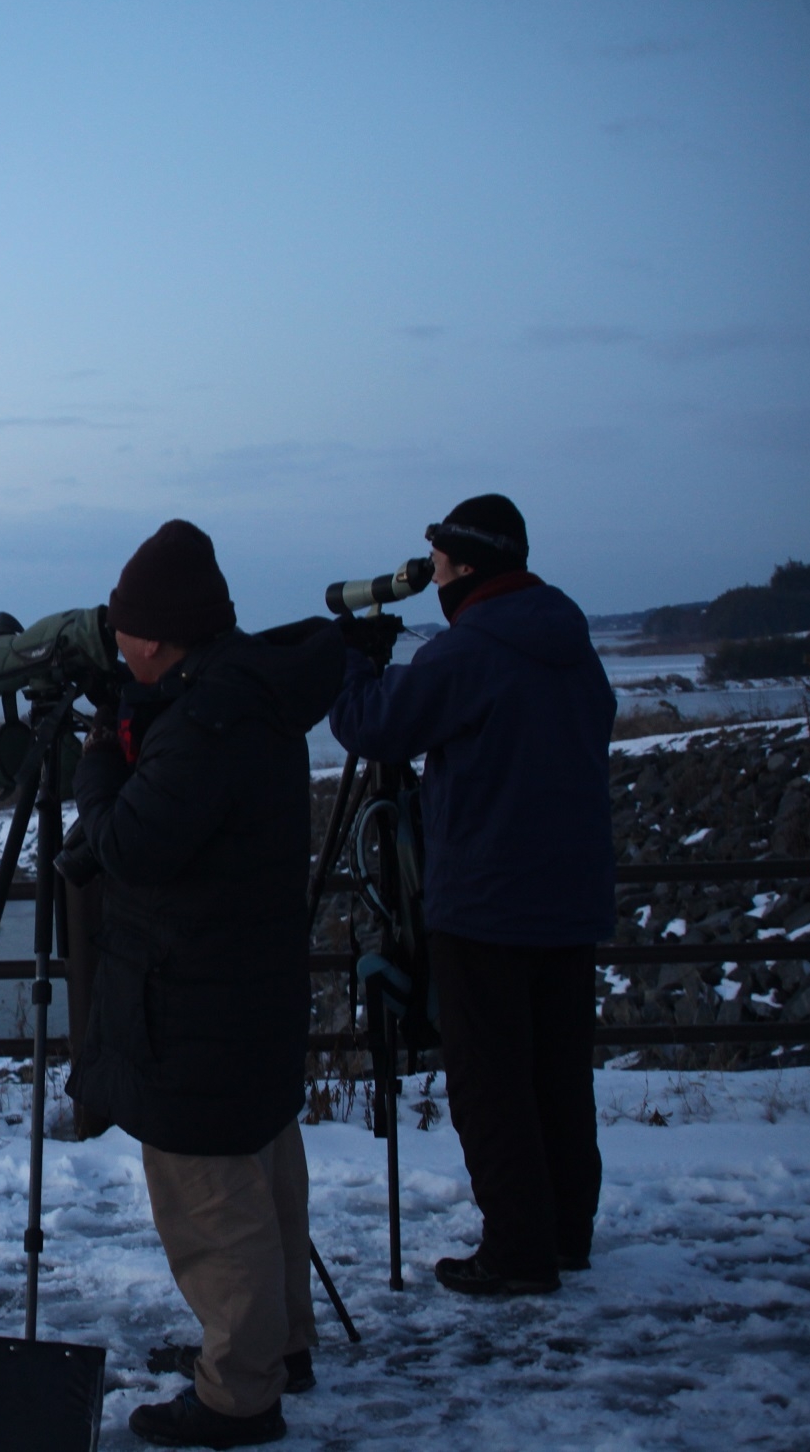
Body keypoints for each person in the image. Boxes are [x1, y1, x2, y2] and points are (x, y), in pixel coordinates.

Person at [64, 519, 346, 1449]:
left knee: (212, 1206)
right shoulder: (243, 693)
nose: (120, 645)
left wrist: (100, 754)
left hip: (195, 1003)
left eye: (127, 631)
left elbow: (132, 845)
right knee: (264, 1180)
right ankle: (278, 1349)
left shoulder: (208, 719)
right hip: (241, 989)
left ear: (161, 635)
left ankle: (237, 1395)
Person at [327, 493, 615, 1297]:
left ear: (466, 567)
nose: (435, 581)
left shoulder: (472, 650)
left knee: (489, 1084)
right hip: (570, 894)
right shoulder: (569, 641)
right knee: (558, 1073)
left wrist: (354, 661)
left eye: (442, 566)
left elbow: (374, 728)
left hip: (487, 902)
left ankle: (517, 1251)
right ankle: (565, 1231)